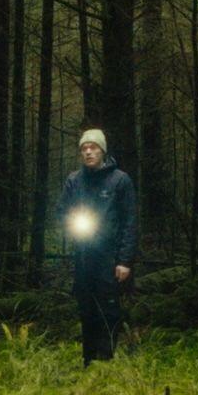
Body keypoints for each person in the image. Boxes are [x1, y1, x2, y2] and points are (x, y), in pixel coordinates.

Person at [56, 128, 138, 363]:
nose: (88, 152)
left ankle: (107, 360)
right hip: (83, 256)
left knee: (109, 309)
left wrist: (124, 260)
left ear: (102, 150)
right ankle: (88, 361)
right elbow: (61, 211)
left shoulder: (120, 180)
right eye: (84, 148)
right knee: (86, 308)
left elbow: (129, 222)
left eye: (93, 147)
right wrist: (74, 223)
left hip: (110, 257)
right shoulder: (75, 180)